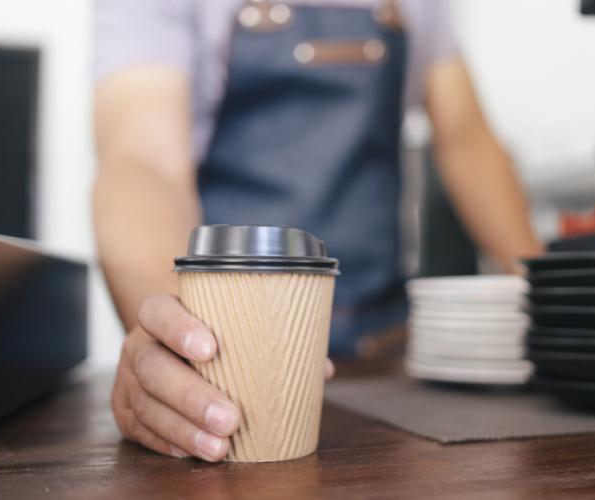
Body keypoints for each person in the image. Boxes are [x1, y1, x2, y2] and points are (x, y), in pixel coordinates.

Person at [93, 0, 542, 462]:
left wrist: (554, 306)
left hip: (384, 351)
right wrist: (178, 347)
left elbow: (468, 141)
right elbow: (144, 165)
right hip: (235, 354)